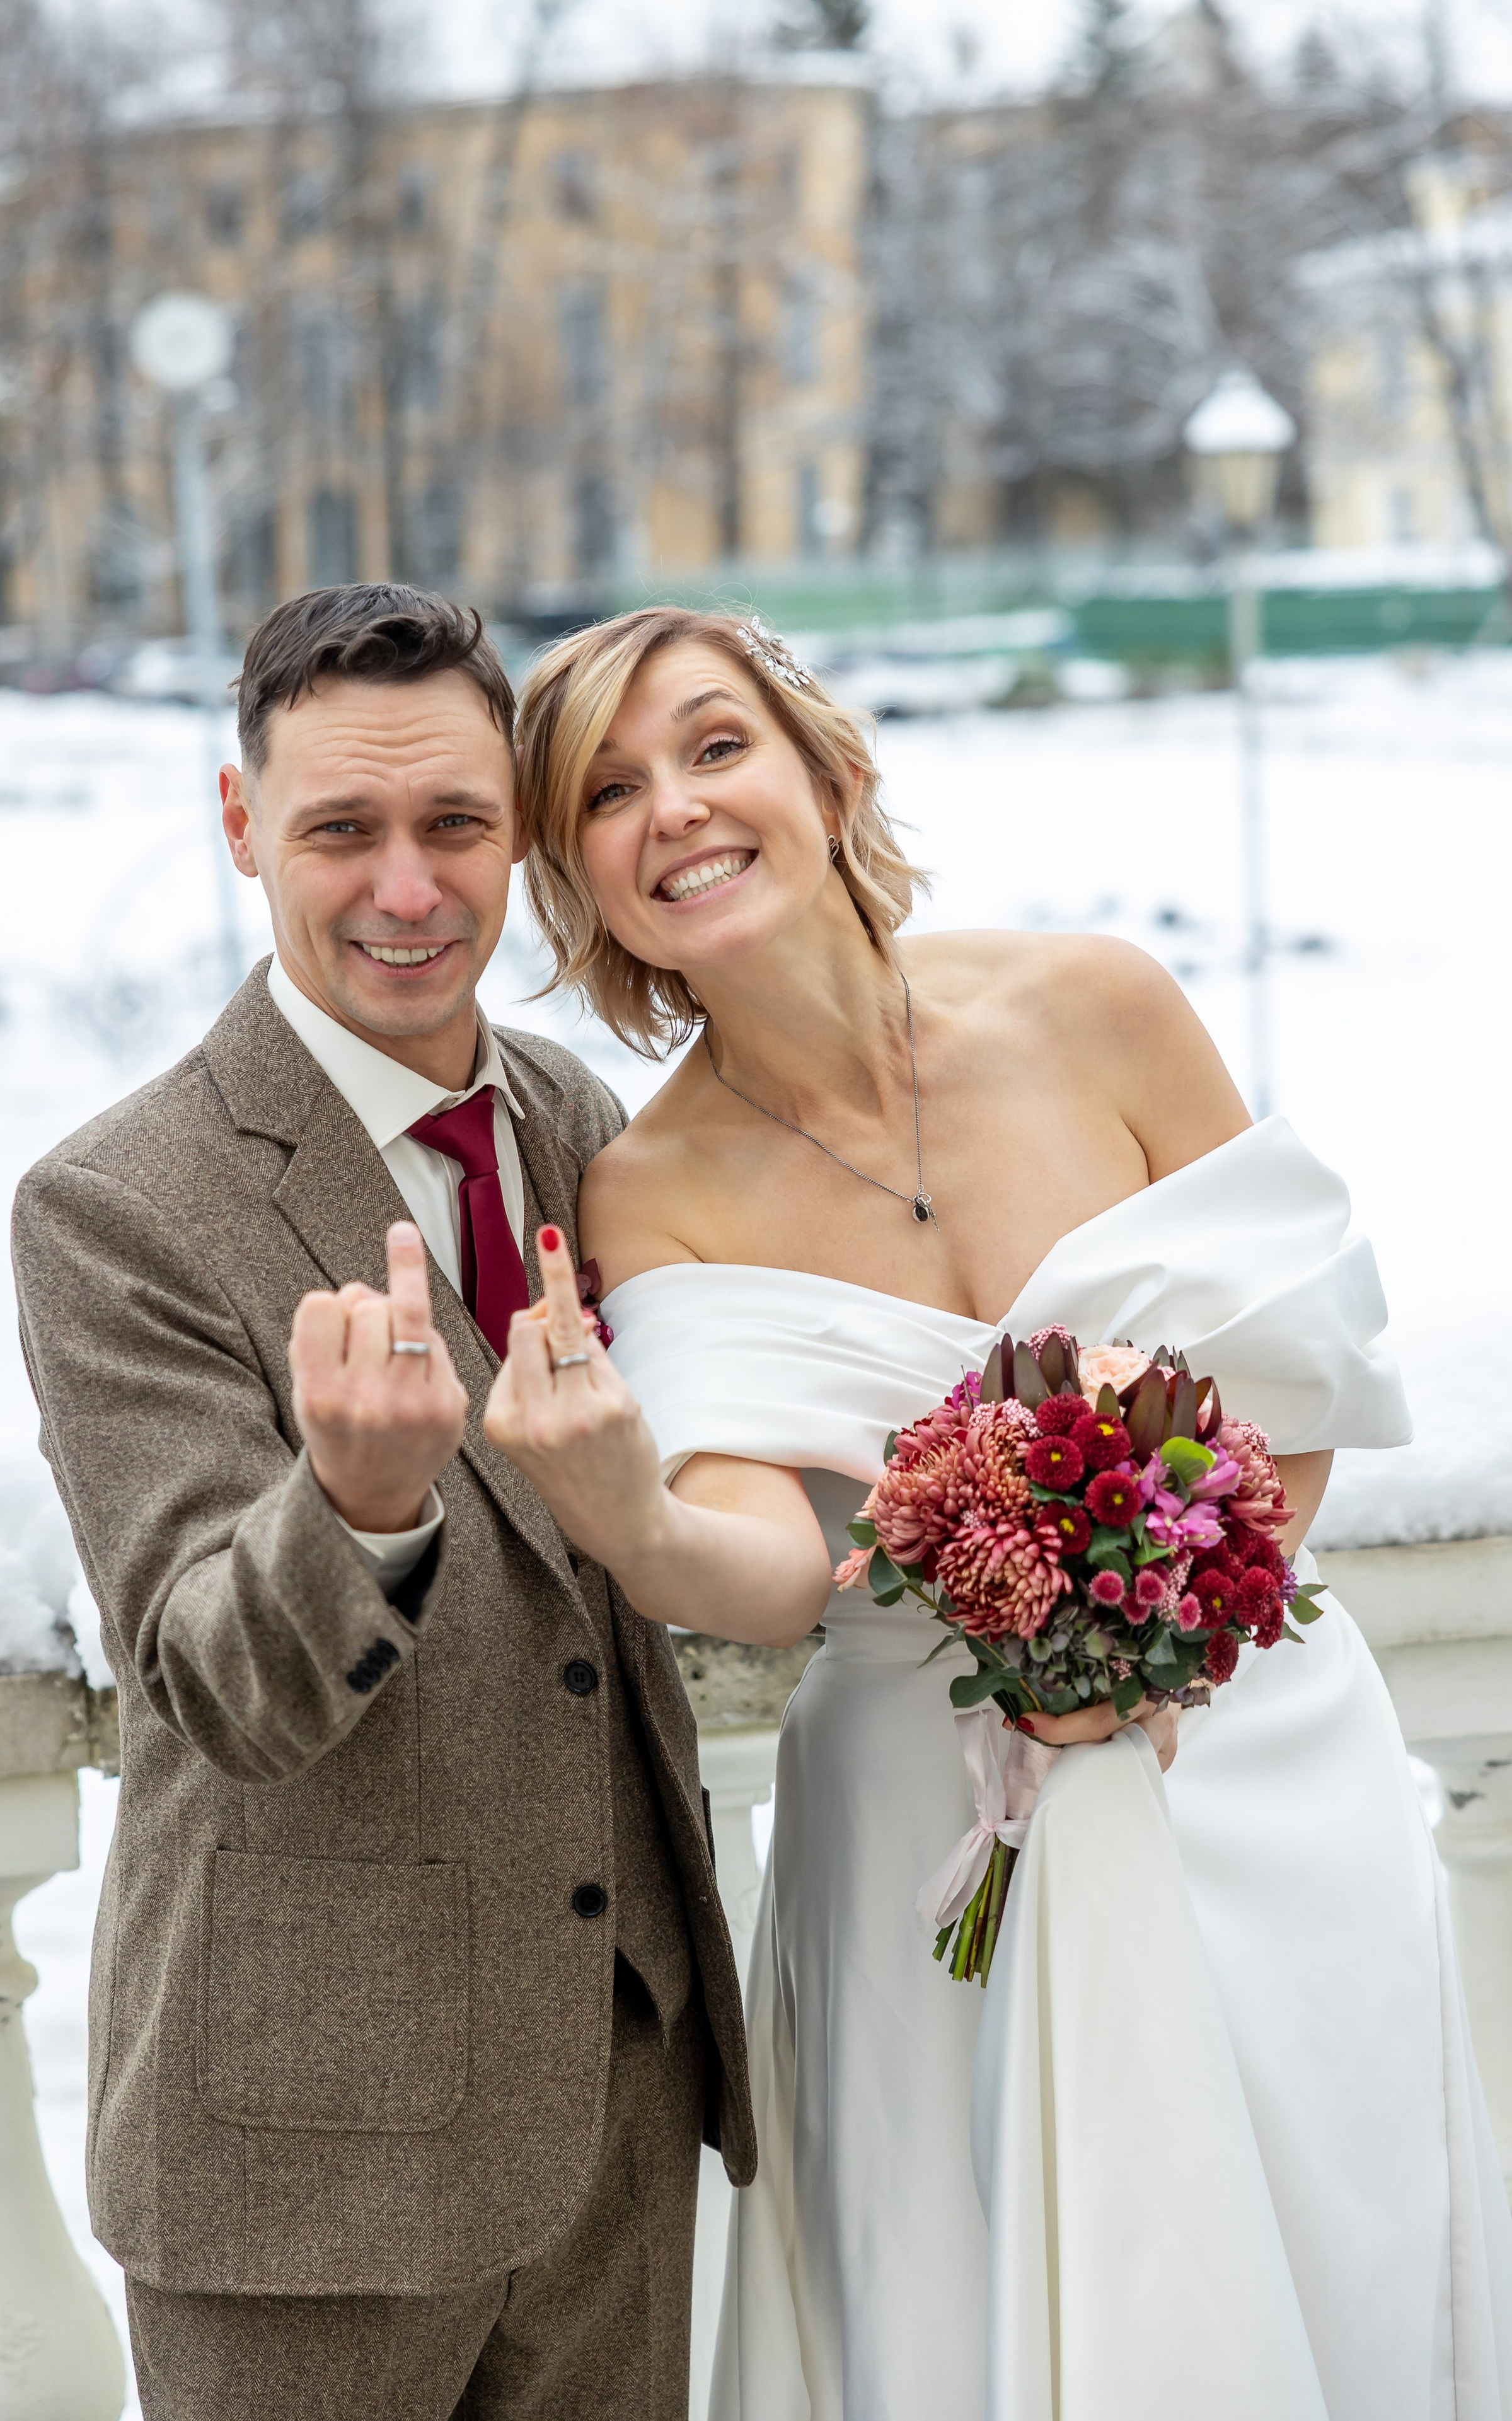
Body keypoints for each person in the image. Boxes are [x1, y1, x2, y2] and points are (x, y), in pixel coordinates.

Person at [480, 604, 1512, 2420]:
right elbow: (779, 1566)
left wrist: (1151, 1627)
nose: (677, 811)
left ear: (826, 767)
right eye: (609, 795)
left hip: (1255, 1769)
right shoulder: (649, 1188)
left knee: (1328, 2249)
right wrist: (628, 1514)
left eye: (718, 747)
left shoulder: (1098, 1002)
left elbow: (1304, 1395)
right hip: (938, 1845)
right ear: (582, 883)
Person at [10, 584, 752, 2421]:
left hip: (617, 2093)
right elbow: (207, 1681)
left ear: (520, 828)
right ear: (244, 821)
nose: (406, 890)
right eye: (341, 828)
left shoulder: (587, 1124)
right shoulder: (114, 1206)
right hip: (300, 2156)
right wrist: (351, 1506)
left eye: (456, 826)